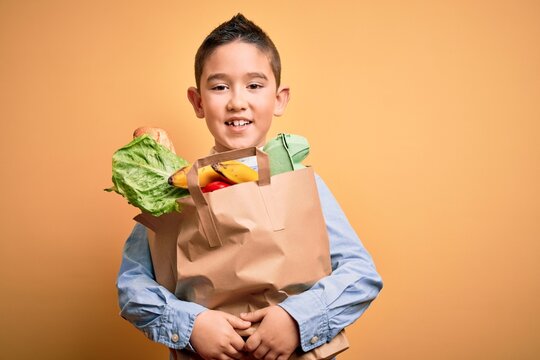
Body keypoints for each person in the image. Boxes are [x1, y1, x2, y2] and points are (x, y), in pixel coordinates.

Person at [117, 13, 383, 360]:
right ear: (198, 102)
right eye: (219, 86)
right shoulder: (173, 194)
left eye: (254, 85)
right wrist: (191, 325)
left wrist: (296, 320)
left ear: (279, 98)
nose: (237, 101)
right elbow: (132, 287)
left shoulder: (299, 181)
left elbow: (361, 275)